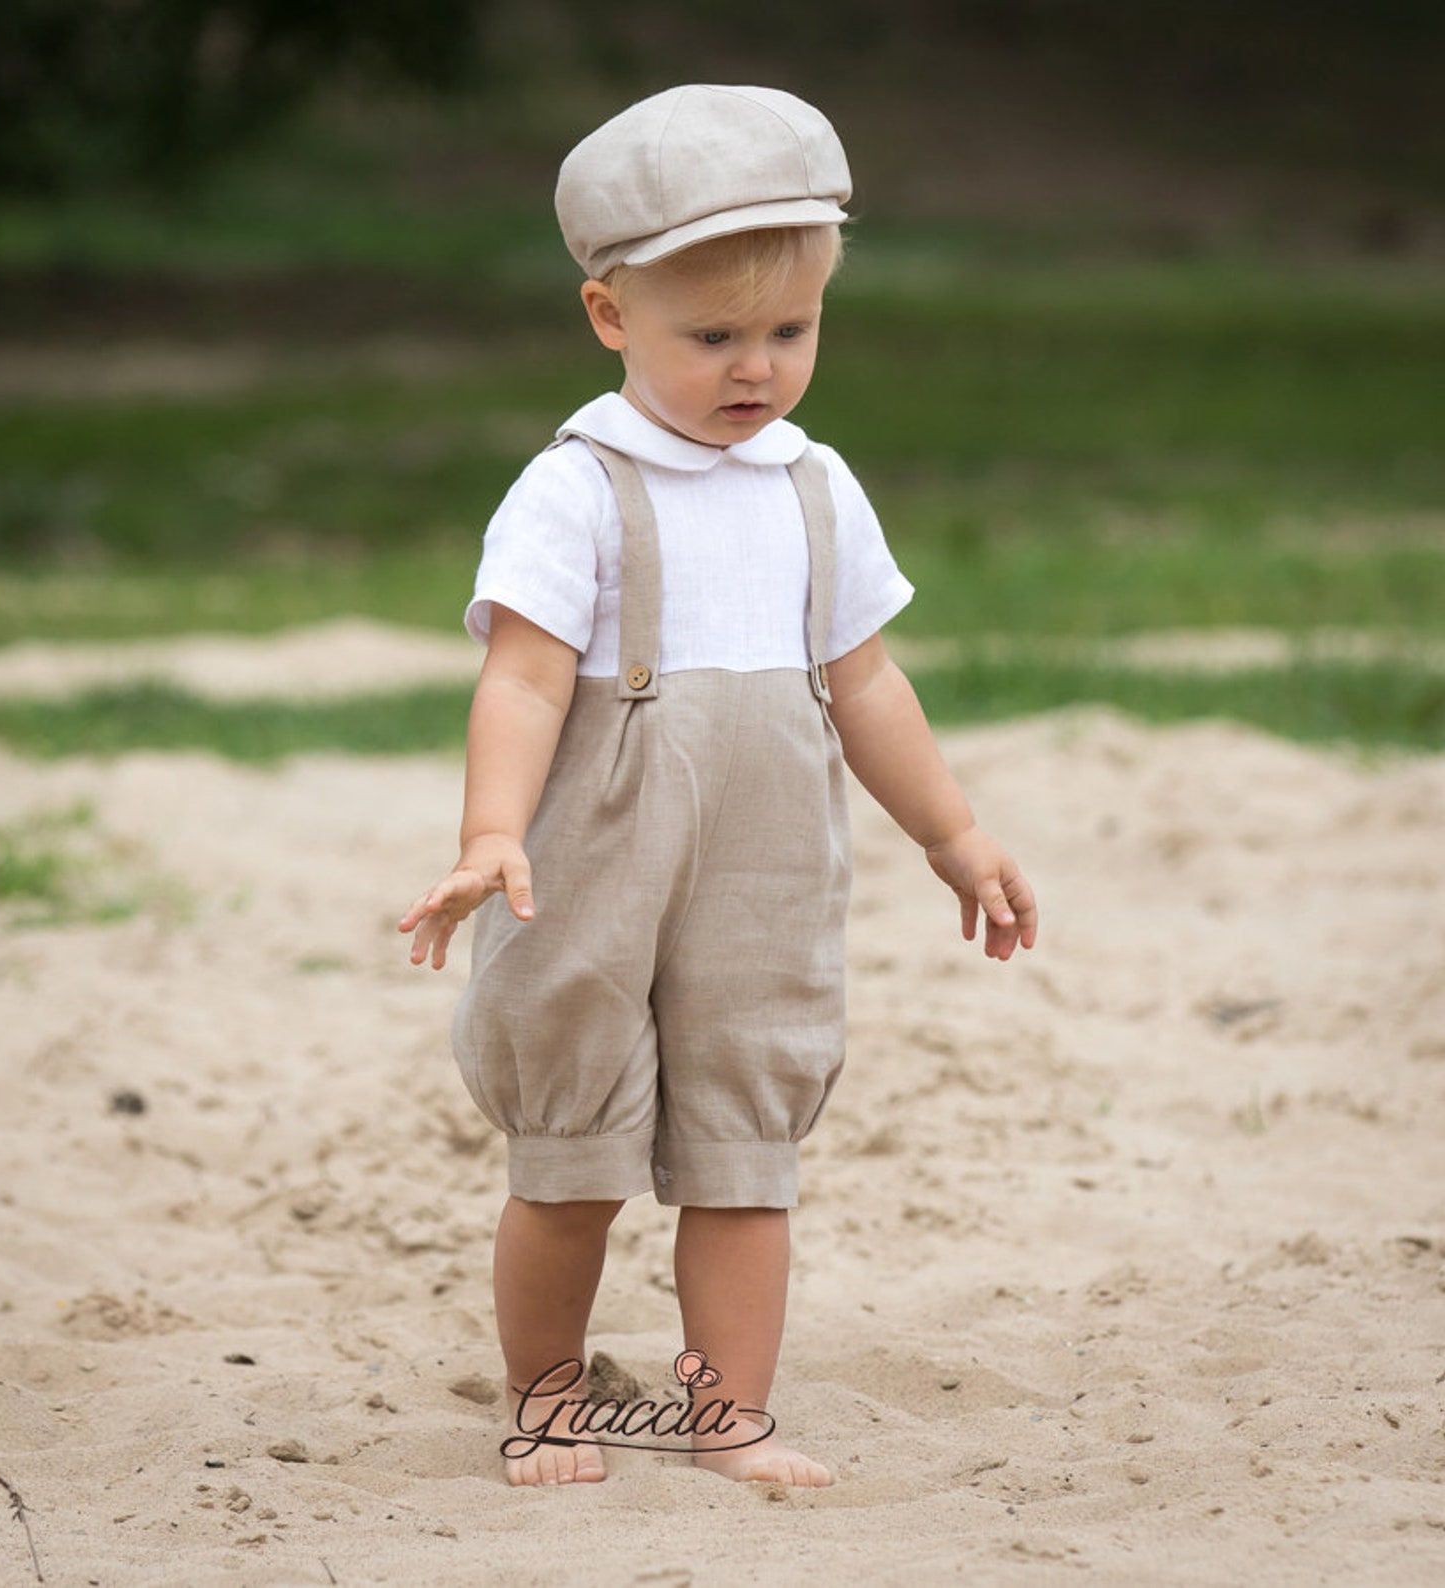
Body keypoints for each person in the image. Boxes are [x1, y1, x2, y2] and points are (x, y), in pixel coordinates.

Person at [399, 83, 1037, 1490]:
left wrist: (954, 833)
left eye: (790, 331)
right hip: (592, 868)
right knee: (572, 1156)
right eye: (713, 337)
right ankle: (548, 1401)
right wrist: (492, 829)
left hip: (763, 870)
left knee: (748, 1150)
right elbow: (522, 680)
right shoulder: (578, 489)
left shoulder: (815, 487)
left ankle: (729, 1416)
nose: (757, 368)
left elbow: (866, 685)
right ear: (610, 315)